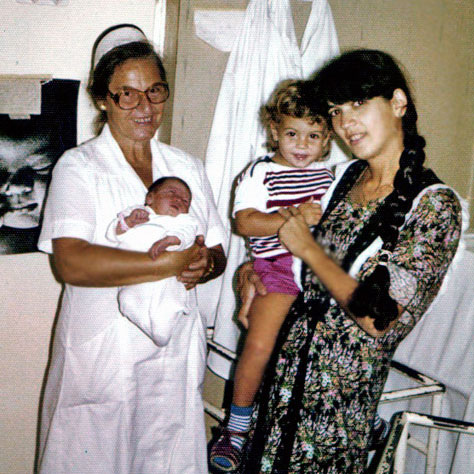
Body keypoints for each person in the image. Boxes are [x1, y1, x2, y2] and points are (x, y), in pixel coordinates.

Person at [238, 49, 465, 473]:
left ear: (398, 103)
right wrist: (250, 272)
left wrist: (309, 250)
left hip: (334, 413)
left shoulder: (434, 206)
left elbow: (380, 318)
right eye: (336, 111)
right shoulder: (343, 178)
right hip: (280, 388)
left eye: (358, 104)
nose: (345, 123)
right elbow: (286, 251)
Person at [36, 24, 226, 474]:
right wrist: (165, 263)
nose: (145, 107)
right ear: (103, 98)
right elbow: (72, 262)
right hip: (104, 355)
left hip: (172, 356)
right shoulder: (79, 166)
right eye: (128, 94)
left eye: (155, 91)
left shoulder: (186, 167)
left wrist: (203, 263)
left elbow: (216, 251)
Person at [210, 79, 333, 471]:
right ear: (275, 132)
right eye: (292, 133)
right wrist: (291, 218)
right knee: (259, 346)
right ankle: (236, 429)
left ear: (327, 138)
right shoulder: (260, 174)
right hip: (277, 269)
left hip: (320, 271)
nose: (302, 144)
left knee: (327, 351)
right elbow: (245, 222)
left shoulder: (329, 178)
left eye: (313, 135)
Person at [106, 176, 200, 347]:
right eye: (172, 193)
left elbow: (187, 235)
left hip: (165, 276)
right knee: (128, 299)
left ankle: (162, 333)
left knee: (167, 302)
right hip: (133, 273)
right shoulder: (137, 212)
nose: (178, 199)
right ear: (150, 198)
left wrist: (171, 240)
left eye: (185, 200)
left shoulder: (183, 221)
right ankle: (153, 328)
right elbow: (112, 234)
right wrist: (129, 222)